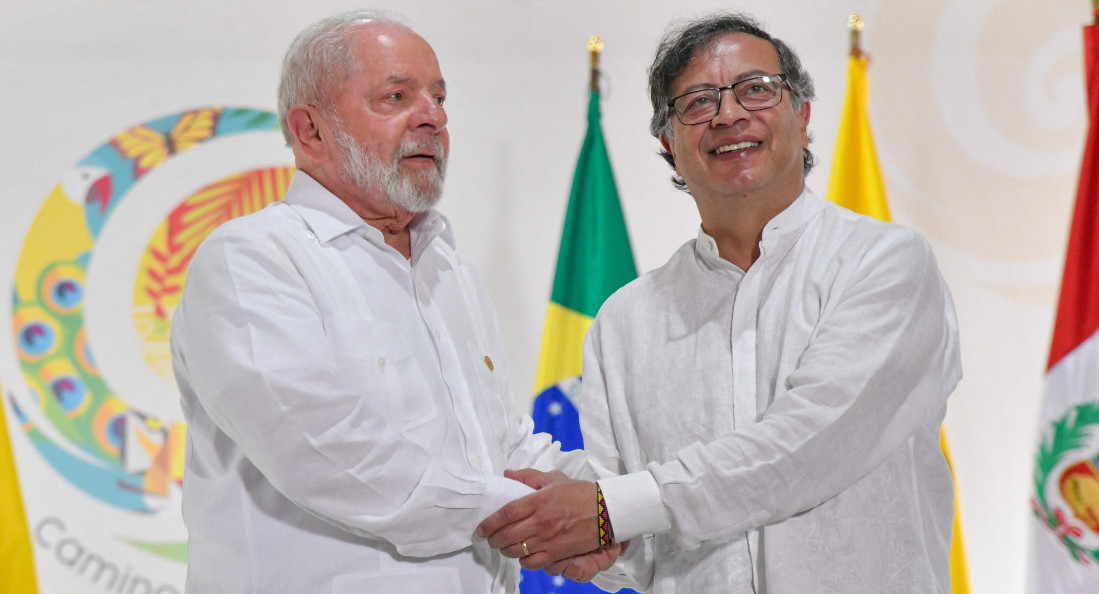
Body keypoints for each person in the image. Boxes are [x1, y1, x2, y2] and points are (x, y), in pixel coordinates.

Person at [477, 12, 962, 593]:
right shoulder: (627, 322)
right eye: (698, 102)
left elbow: (807, 446)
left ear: (803, 117)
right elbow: (637, 545)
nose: (729, 114)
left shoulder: (883, 264)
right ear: (669, 143)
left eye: (757, 90)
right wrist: (594, 533)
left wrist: (610, 512)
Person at [170, 10, 615, 593]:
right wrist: (556, 518)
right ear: (310, 131)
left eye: (438, 96)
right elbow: (335, 460)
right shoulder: (251, 260)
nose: (433, 116)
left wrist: (613, 507)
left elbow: (501, 447)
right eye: (397, 96)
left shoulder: (449, 270)